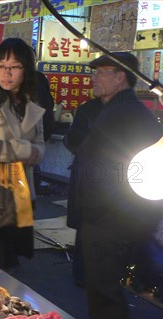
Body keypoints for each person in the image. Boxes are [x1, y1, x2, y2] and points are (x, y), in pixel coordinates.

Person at [76, 52, 163, 319]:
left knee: (104, 293)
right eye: (94, 72)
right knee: (102, 289)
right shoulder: (122, 109)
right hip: (116, 215)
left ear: (121, 76)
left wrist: (97, 207)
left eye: (102, 72)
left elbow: (92, 157)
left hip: (109, 218)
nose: (94, 78)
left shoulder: (121, 112)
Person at [0, 38, 45, 272]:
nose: (7, 73)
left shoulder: (30, 101)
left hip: (21, 190)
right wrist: (26, 150)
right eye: (1, 66)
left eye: (14, 67)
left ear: (26, 69)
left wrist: (34, 151)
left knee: (12, 257)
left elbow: (41, 147)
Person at [63, 97, 104, 287]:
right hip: (97, 176)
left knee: (87, 227)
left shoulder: (89, 108)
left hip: (93, 176)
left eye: (102, 73)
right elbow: (71, 140)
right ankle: (86, 274)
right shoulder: (89, 108)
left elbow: (70, 141)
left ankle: (84, 274)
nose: (96, 78)